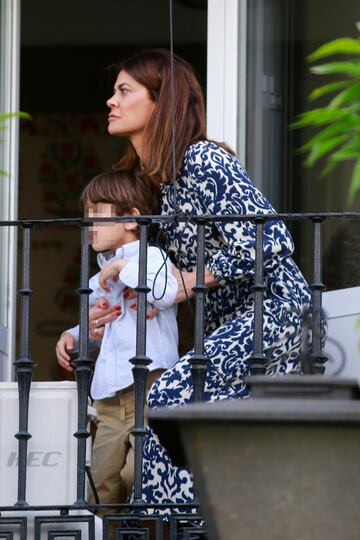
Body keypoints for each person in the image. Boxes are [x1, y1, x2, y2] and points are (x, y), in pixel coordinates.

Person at [87, 49, 312, 516]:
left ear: (160, 100)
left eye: (124, 91)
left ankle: (174, 526)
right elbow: (156, 269)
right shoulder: (164, 182)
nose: (111, 101)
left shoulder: (202, 158)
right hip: (230, 326)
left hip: (276, 312)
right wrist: (103, 317)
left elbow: (273, 239)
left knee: (169, 404)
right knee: (204, 432)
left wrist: (189, 280)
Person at [55, 170, 179, 510]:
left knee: (135, 476)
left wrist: (121, 267)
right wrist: (75, 335)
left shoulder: (152, 258)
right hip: (110, 397)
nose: (89, 222)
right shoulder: (101, 275)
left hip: (149, 389)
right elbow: (101, 324)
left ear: (131, 219)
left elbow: (165, 292)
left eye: (96, 212)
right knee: (101, 485)